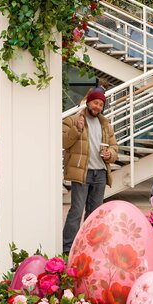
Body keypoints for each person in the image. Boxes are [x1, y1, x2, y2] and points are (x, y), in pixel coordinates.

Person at [61, 89, 118, 254]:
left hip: (100, 173)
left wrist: (110, 155)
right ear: (88, 102)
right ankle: (67, 248)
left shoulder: (105, 124)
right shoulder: (73, 120)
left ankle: (89, 248)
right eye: (95, 103)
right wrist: (77, 129)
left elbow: (114, 147)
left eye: (101, 104)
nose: (98, 107)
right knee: (77, 211)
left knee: (95, 214)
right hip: (82, 172)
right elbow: (64, 143)